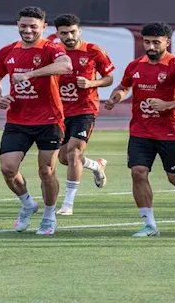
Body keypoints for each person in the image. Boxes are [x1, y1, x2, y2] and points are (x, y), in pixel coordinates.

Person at [104, 22, 175, 237]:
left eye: (156, 42)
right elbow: (123, 87)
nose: (151, 46)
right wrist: (116, 97)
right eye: (147, 42)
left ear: (167, 42)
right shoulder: (135, 65)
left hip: (171, 131)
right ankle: (149, 225)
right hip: (140, 130)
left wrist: (168, 105)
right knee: (138, 173)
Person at [0, 6, 73, 235]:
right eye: (24, 26)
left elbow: (66, 65)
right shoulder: (7, 51)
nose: (28, 30)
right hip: (17, 120)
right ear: (17, 25)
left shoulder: (51, 48)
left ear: (43, 27)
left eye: (33, 27)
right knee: (8, 168)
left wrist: (30, 74)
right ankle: (28, 204)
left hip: (49, 120)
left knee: (46, 171)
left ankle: (49, 216)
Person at [53, 14, 114, 216]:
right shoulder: (53, 52)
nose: (69, 36)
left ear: (79, 31)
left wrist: (91, 83)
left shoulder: (93, 51)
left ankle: (68, 204)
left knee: (74, 153)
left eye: (72, 32)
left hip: (85, 110)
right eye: (64, 33)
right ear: (57, 34)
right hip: (59, 111)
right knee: (64, 158)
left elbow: (109, 78)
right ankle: (96, 166)